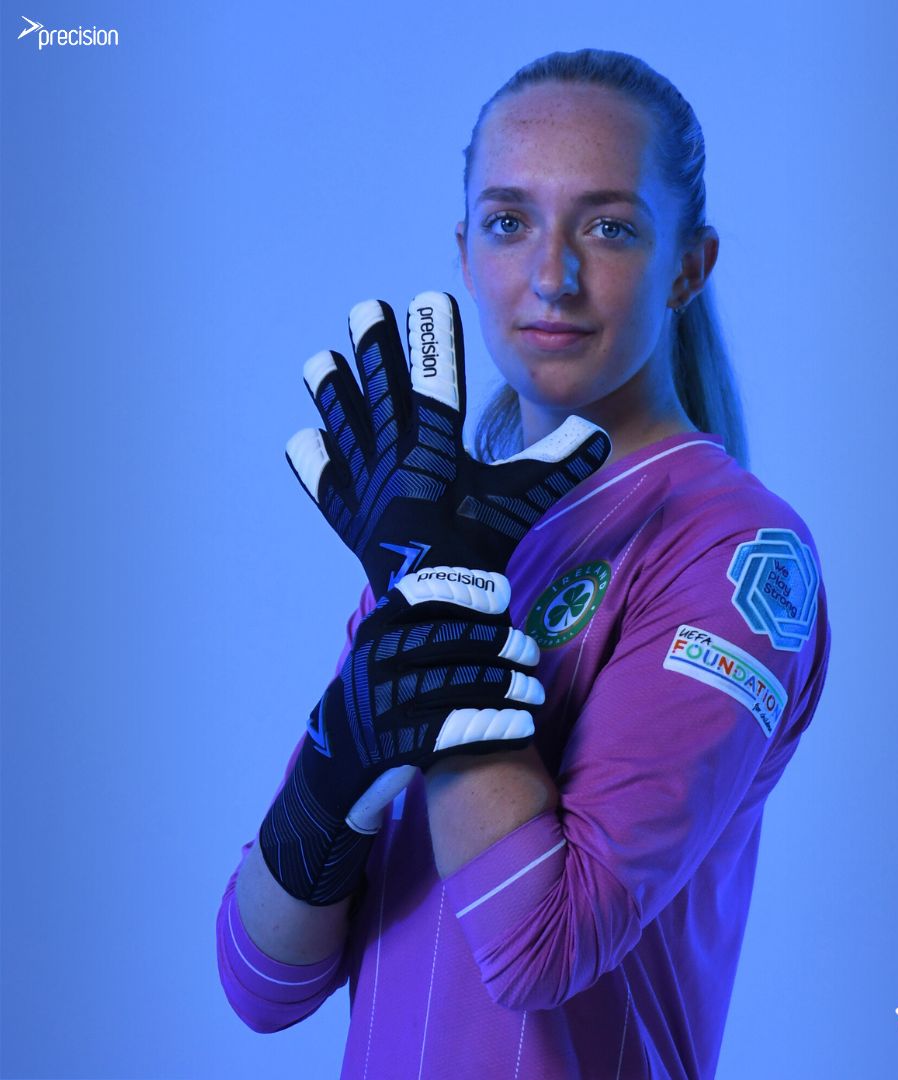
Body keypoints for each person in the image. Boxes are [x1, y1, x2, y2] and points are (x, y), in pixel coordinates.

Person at [216, 48, 830, 1079]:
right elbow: (259, 983)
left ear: (690, 264)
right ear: (464, 251)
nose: (552, 275)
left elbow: (540, 945)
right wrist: (334, 773)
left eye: (609, 225)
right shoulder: (433, 532)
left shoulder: (733, 550)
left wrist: (437, 603)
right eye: (509, 221)